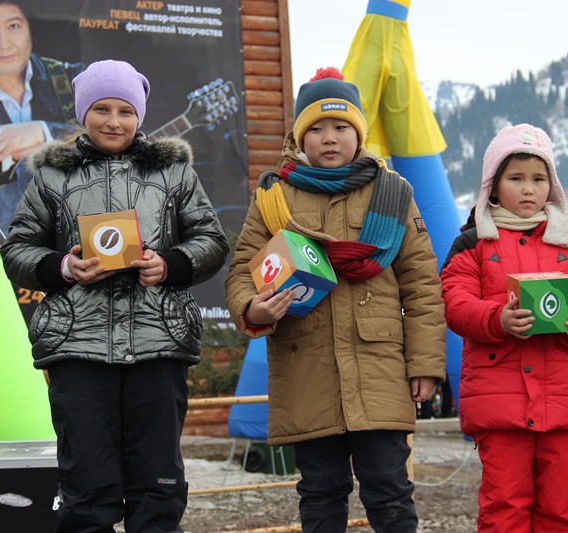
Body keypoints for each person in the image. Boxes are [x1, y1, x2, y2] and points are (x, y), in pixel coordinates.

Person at [0, 59, 229, 533]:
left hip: (157, 344)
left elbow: (211, 241)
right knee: (87, 492)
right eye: (101, 109)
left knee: (158, 490)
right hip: (77, 348)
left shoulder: (174, 172)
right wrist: (64, 267)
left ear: (139, 115)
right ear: (82, 113)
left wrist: (169, 264)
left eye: (125, 110)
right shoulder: (50, 176)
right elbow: (18, 249)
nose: (113, 121)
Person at [224, 67, 447, 533]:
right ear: (299, 138)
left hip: (380, 368)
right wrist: (252, 308)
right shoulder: (273, 198)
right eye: (317, 128)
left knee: (390, 491)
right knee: (320, 493)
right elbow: (243, 270)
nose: (329, 137)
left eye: (341, 126)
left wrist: (425, 364)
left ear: (358, 133)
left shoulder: (392, 193)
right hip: (305, 365)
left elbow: (423, 286)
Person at [439, 123, 568, 532]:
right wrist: (497, 319)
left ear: (552, 185)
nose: (528, 189)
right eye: (516, 178)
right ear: (493, 185)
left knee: (561, 505)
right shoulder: (471, 244)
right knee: (504, 505)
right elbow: (454, 302)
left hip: (562, 398)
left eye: (539, 179)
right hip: (498, 401)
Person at [0, 0, 85, 234]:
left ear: (30, 27)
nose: (3, 43)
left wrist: (45, 132)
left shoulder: (73, 79)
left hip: (82, 237)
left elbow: (136, 139)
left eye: (13, 26)